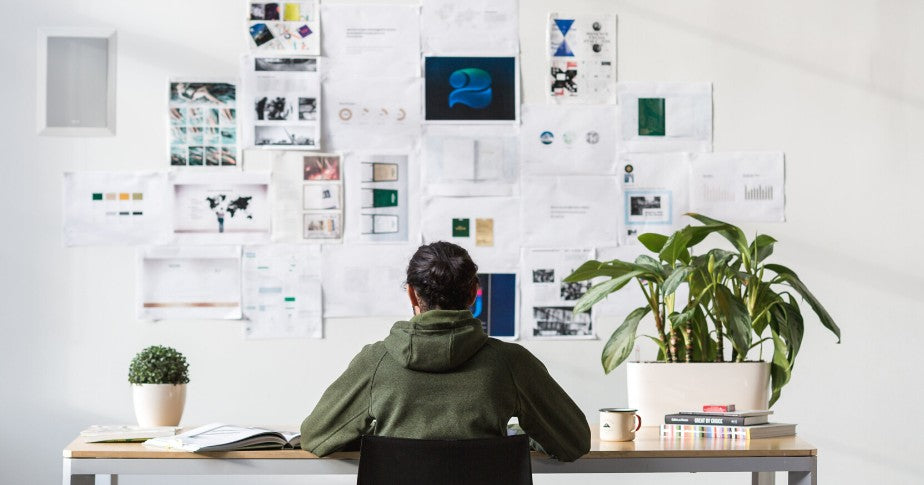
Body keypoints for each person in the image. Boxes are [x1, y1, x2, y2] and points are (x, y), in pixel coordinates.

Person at [300, 242, 591, 462]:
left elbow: (316, 437)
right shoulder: (511, 363)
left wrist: (378, 439)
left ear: (412, 293)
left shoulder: (377, 362)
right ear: (473, 293)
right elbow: (574, 442)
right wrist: (519, 439)